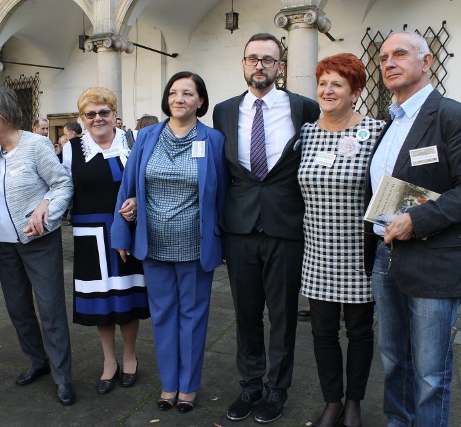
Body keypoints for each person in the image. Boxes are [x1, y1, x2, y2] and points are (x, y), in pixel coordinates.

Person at [363, 31, 461, 426]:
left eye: (400, 53)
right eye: (383, 56)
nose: (388, 62)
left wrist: (416, 220)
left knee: (430, 372)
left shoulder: (456, 116)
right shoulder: (389, 123)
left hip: (436, 258)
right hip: (387, 255)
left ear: (428, 61)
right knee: (393, 359)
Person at [212, 32, 320, 424]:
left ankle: (277, 389)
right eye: (253, 59)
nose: (260, 65)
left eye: (268, 60)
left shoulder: (304, 107)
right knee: (244, 313)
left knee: (284, 315)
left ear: (281, 66)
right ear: (243, 64)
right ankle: (250, 385)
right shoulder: (223, 111)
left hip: (285, 226)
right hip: (239, 227)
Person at [112, 71, 227, 413]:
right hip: (153, 242)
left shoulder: (213, 140)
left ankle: (188, 386)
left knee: (192, 316)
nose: (179, 99)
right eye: (174, 93)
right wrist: (122, 230)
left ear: (200, 101)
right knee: (163, 314)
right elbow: (128, 187)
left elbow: (222, 194)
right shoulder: (147, 136)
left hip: (195, 243)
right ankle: (169, 384)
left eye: (188, 93)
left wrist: (221, 239)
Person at [297, 53, 384, 427]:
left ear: (355, 91)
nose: (327, 90)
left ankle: (354, 402)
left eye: (337, 84)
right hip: (317, 251)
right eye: (323, 83)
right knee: (322, 333)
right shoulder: (306, 133)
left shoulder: (376, 132)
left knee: (360, 333)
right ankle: (332, 401)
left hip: (360, 252)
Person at [0, 88, 74, 406]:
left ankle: (62, 377)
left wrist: (46, 210)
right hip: (2, 244)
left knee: (50, 309)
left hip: (38, 241)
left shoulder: (36, 145)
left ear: (5, 114)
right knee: (18, 309)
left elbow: (62, 184)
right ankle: (37, 361)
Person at [68, 87, 149, 397]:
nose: (98, 118)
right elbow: (61, 187)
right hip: (89, 236)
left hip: (125, 231)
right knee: (102, 301)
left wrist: (139, 202)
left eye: (104, 112)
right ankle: (109, 361)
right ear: (82, 118)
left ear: (115, 114)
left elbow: (148, 181)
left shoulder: (133, 144)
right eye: (90, 114)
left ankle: (130, 357)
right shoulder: (72, 149)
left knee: (127, 299)